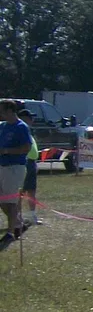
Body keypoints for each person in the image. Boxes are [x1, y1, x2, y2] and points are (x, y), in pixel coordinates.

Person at [0, 100, 30, 249]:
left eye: (2, 110)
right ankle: (19, 223)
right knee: (2, 200)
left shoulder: (21, 127)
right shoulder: (2, 126)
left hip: (15, 167)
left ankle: (10, 233)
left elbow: (26, 148)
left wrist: (6, 151)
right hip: (2, 166)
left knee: (10, 202)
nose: (0, 113)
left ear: (10, 110)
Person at [17, 105, 40, 228]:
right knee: (21, 192)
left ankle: (32, 216)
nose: (32, 120)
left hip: (32, 163)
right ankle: (18, 217)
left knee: (32, 191)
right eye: (30, 118)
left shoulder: (29, 131)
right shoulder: (20, 131)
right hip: (24, 163)